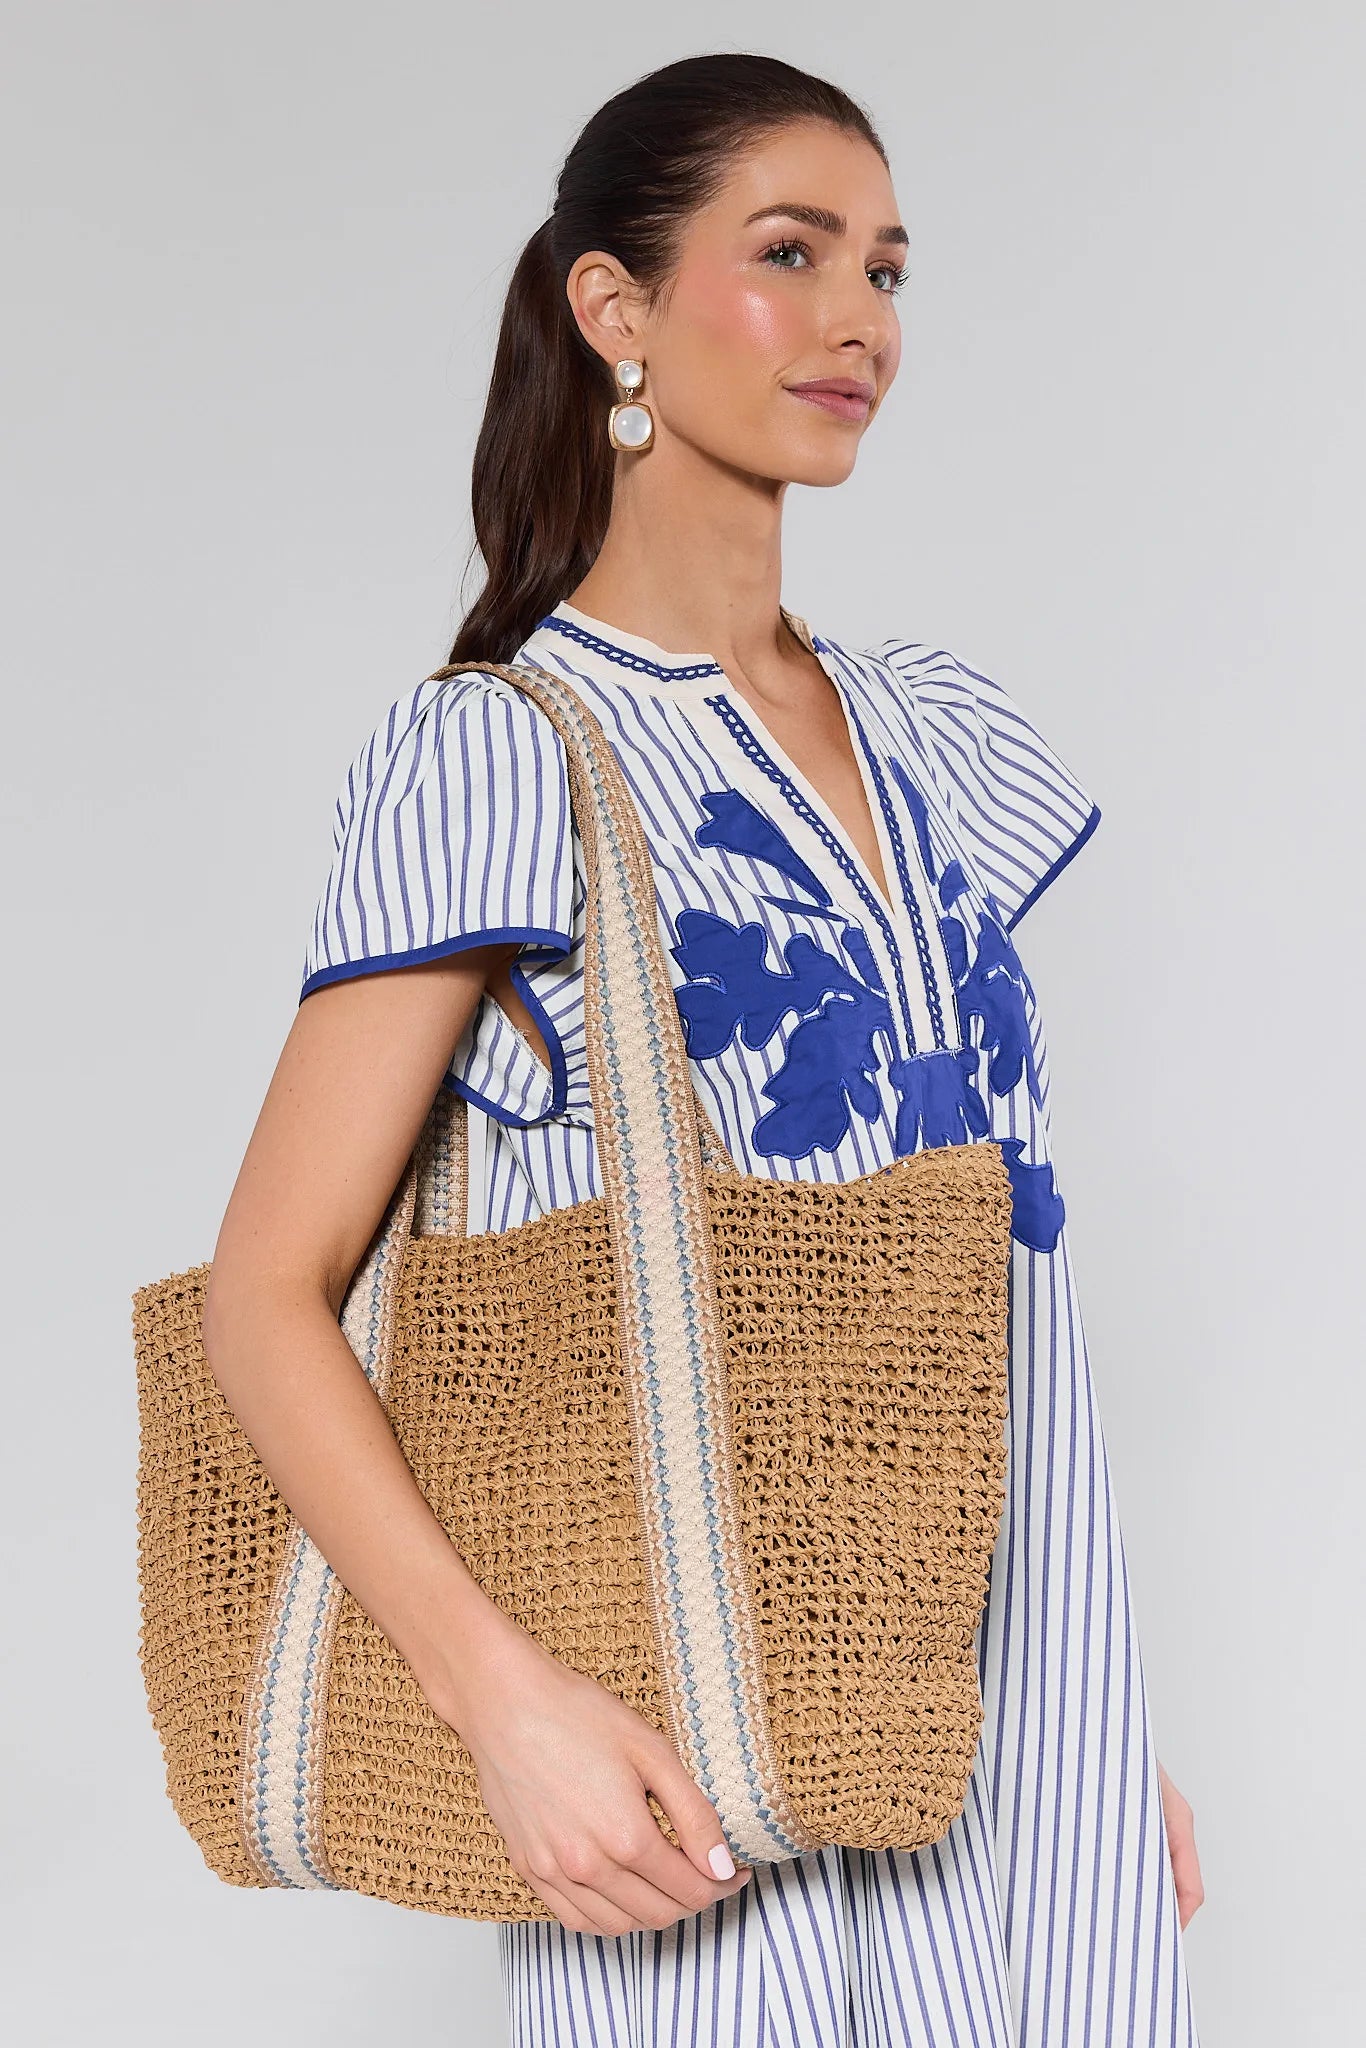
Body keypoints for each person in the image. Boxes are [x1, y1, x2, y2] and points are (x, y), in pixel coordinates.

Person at [202, 49, 1203, 2048]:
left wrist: (1092, 1722)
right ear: (616, 306)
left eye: (887, 270)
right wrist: (507, 1709)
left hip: (1020, 1750)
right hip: (699, 1760)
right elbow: (268, 1293)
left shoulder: (937, 728)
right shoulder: (497, 749)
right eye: (791, 254)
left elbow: (985, 1287)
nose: (862, 319)